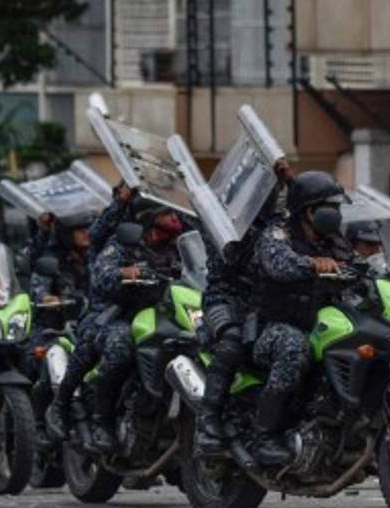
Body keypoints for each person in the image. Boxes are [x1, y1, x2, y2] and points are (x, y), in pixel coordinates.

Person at [246, 171, 355, 467]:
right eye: (332, 207)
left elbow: (357, 265)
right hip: (273, 329)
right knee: (295, 347)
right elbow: (278, 264)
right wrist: (312, 264)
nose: (338, 215)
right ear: (310, 211)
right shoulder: (278, 233)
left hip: (318, 327)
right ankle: (264, 437)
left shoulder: (335, 242)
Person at [193, 161, 294, 463]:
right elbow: (228, 257)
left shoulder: (278, 222)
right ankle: (207, 419)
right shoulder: (221, 222)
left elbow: (306, 209)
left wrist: (291, 180)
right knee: (232, 341)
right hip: (225, 298)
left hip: (264, 302)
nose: (270, 195)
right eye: (264, 189)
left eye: (272, 189)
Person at [44, 183, 144, 442]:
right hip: (107, 313)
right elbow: (98, 233)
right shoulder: (112, 242)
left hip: (153, 312)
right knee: (110, 343)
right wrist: (120, 202)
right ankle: (65, 404)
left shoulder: (166, 239)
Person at [82, 202, 185, 453]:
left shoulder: (180, 246)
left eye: (175, 213)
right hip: (125, 315)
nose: (174, 218)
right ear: (149, 219)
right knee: (120, 348)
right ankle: (101, 422)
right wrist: (124, 273)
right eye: (167, 214)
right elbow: (103, 275)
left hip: (167, 313)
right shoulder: (125, 245)